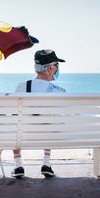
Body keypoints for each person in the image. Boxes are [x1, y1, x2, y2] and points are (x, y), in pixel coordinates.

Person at [12, 49, 66, 178]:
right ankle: (46, 163)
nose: (58, 69)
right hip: (49, 136)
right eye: (57, 65)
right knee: (50, 125)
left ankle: (18, 165)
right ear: (50, 68)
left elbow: (14, 117)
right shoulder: (59, 91)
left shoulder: (21, 87)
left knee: (15, 125)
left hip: (23, 135)